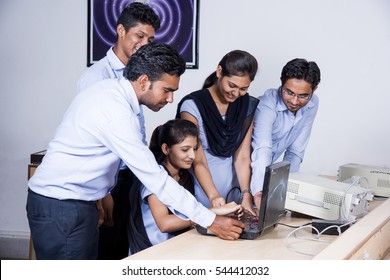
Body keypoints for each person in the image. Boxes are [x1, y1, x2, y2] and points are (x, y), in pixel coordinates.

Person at [26, 43, 244, 260]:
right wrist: (210, 220)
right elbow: (155, 178)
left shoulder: (112, 93)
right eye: (167, 90)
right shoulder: (116, 112)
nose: (170, 99)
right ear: (143, 82)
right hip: (61, 205)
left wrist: (99, 196)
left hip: (75, 203)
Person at [77, 2, 160, 259]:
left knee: (125, 250)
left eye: (150, 38)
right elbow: (90, 141)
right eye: (139, 36)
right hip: (109, 180)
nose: (144, 44)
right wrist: (104, 192)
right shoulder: (97, 77)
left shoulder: (137, 74)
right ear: (121, 30)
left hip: (130, 176)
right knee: (106, 250)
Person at [128, 119, 243, 255]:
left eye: (194, 149)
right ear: (166, 149)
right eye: (185, 150)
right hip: (152, 253)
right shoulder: (155, 180)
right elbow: (165, 224)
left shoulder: (184, 175)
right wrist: (213, 212)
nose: (192, 156)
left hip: (177, 246)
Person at [176, 50, 259, 215]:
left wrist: (246, 195)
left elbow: (242, 156)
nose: (236, 93)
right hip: (204, 192)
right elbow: (197, 159)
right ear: (219, 71)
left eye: (243, 88)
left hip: (235, 193)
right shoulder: (193, 105)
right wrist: (214, 196)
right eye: (232, 85)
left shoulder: (245, 105)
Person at [250, 58, 321, 210]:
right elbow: (262, 148)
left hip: (264, 174)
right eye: (289, 92)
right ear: (281, 84)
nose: (295, 101)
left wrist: (288, 194)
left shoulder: (313, 103)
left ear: (313, 90)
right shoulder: (267, 105)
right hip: (243, 173)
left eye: (303, 96)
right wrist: (259, 191)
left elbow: (295, 152)